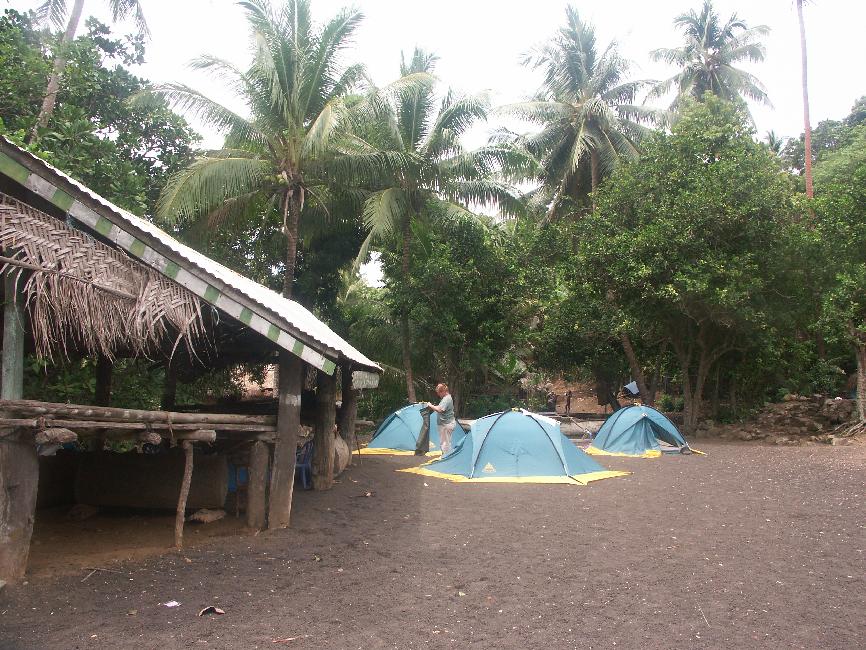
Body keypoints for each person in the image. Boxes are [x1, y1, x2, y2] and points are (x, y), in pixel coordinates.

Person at [426, 383, 456, 455]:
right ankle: (446, 456)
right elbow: (440, 408)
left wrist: (430, 405)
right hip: (446, 424)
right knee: (445, 443)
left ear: (443, 392)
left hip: (446, 424)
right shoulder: (447, 398)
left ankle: (446, 459)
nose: (438, 395)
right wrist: (434, 406)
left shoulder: (446, 399)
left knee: (445, 444)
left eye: (439, 393)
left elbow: (440, 409)